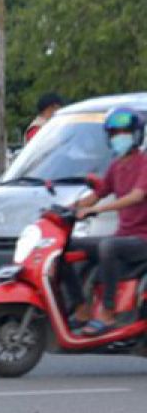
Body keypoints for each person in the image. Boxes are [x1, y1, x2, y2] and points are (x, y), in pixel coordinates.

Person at [62, 107, 147, 335]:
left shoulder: (144, 164)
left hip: (142, 240)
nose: (119, 137)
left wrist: (98, 209)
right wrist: (70, 209)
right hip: (124, 237)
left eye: (124, 132)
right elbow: (96, 194)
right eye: (115, 133)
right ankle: (81, 308)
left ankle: (108, 314)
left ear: (136, 135)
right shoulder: (116, 166)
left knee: (107, 246)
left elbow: (136, 196)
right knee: (65, 246)